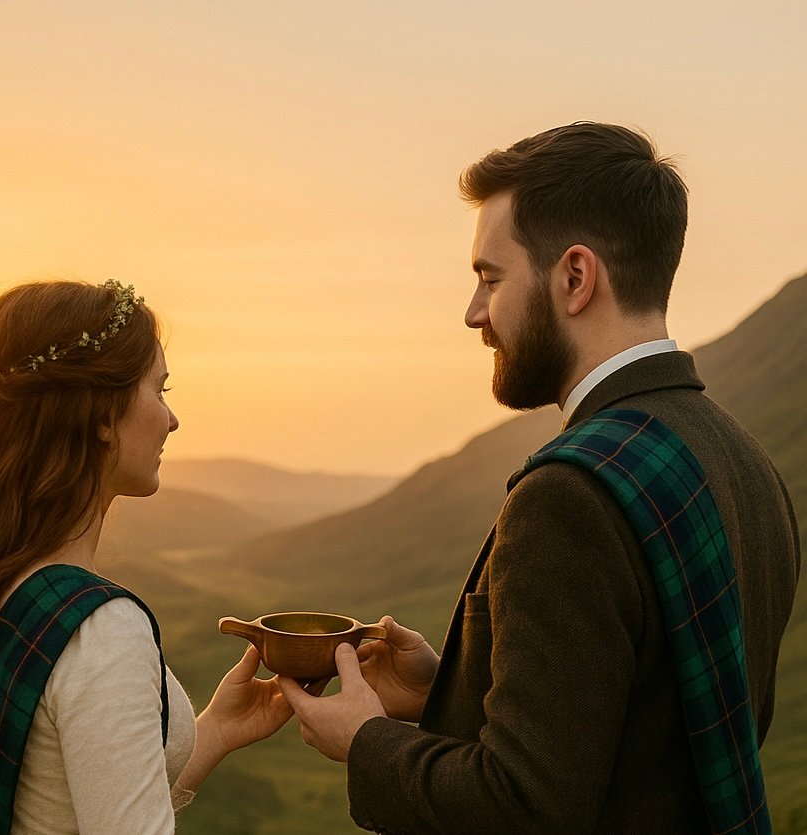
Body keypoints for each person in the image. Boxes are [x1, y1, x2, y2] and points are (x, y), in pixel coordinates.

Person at [279, 123, 801, 833]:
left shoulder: (568, 495)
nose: (473, 313)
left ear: (575, 277)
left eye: (490, 279)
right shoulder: (746, 461)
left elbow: (525, 808)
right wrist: (453, 686)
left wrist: (367, 740)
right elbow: (641, 734)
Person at [0, 279, 293, 833]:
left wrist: (217, 731)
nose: (172, 419)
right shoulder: (102, 630)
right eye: (159, 391)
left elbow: (57, 802)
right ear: (104, 417)